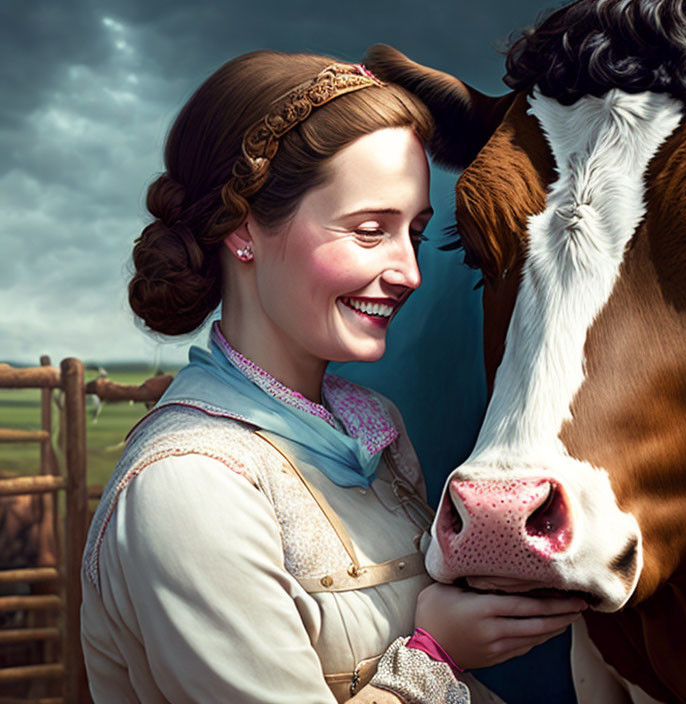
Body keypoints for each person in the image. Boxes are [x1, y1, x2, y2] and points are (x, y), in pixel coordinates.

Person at [80, 50, 586, 703]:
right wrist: (437, 654)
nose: (409, 272)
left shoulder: (377, 432)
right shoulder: (187, 487)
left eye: (416, 234)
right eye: (370, 230)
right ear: (242, 230)